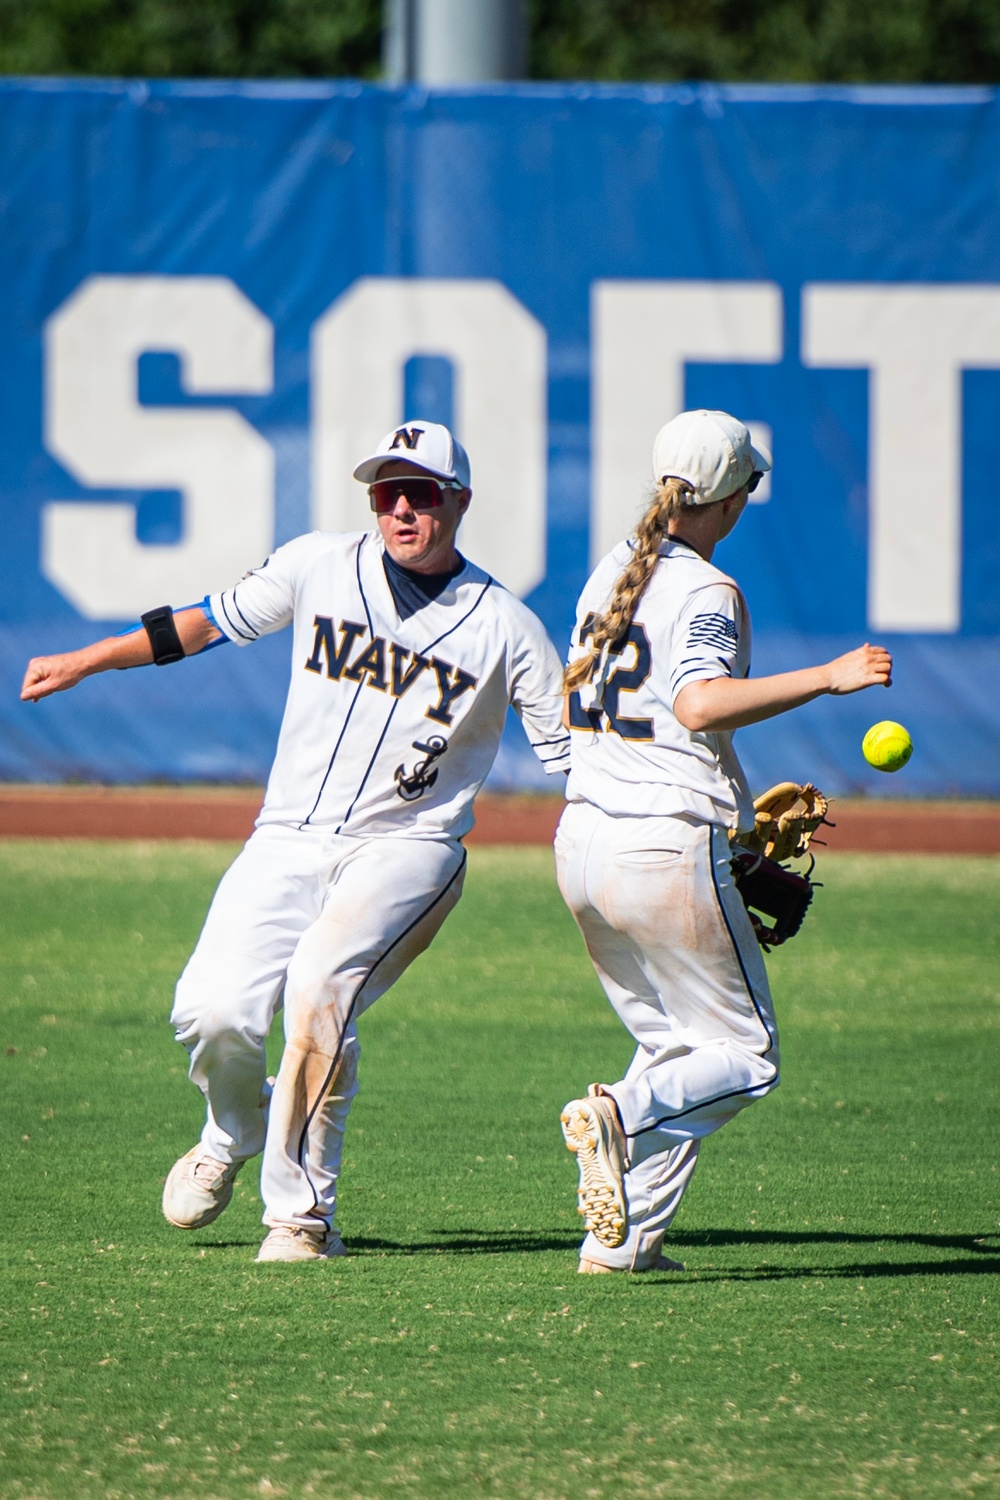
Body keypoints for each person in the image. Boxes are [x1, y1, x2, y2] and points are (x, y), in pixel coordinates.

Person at [21, 420, 570, 1263]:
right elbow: (200, 623)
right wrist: (86, 660)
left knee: (320, 991)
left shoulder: (506, 625)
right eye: (387, 491)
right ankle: (236, 1126)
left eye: (421, 492)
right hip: (286, 834)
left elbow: (575, 755)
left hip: (408, 847)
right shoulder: (319, 562)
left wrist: (700, 821)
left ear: (458, 501)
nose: (401, 508)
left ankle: (302, 1218)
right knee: (210, 1014)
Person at [555, 409, 892, 1275]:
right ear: (735, 495)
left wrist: (735, 812)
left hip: (583, 840)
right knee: (745, 1057)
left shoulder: (609, 574)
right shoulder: (707, 588)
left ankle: (621, 1244)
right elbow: (699, 704)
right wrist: (827, 677)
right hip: (661, 846)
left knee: (682, 1048)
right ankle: (619, 1118)